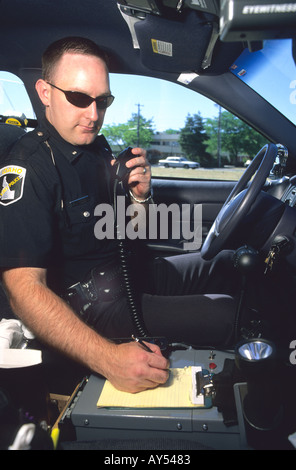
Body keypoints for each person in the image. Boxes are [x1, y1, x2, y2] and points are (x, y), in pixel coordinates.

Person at [0, 37, 240, 393]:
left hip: (127, 276)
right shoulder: (28, 168)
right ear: (45, 92)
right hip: (90, 309)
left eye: (103, 101)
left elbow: (129, 232)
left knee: (230, 262)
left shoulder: (98, 148)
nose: (94, 115)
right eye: (79, 98)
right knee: (225, 313)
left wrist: (140, 199)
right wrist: (108, 359)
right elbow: (23, 291)